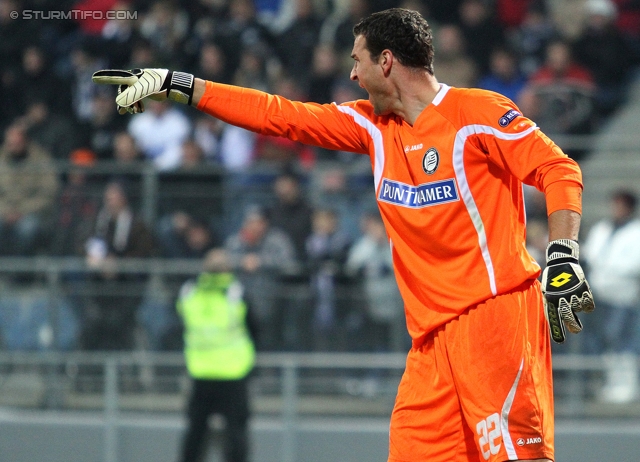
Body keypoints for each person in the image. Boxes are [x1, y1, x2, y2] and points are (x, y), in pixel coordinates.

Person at [94, 8, 595, 461]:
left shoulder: (477, 113)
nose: (351, 74)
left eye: (357, 61)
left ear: (387, 61)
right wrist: (180, 84)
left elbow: (559, 169)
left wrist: (563, 255)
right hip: (430, 343)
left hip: (494, 317)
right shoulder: (370, 125)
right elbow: (278, 114)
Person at [176, 248, 256, 462]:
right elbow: (254, 327)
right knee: (236, 433)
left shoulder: (189, 292)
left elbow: (180, 325)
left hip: (200, 370)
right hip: (233, 372)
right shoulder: (236, 293)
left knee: (196, 433)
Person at [582, 190, 640, 403]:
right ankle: (609, 384)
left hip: (622, 296)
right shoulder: (602, 229)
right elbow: (591, 254)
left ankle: (626, 386)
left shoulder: (636, 232)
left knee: (622, 341)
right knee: (603, 341)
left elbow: (633, 263)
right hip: (599, 295)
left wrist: (607, 267)